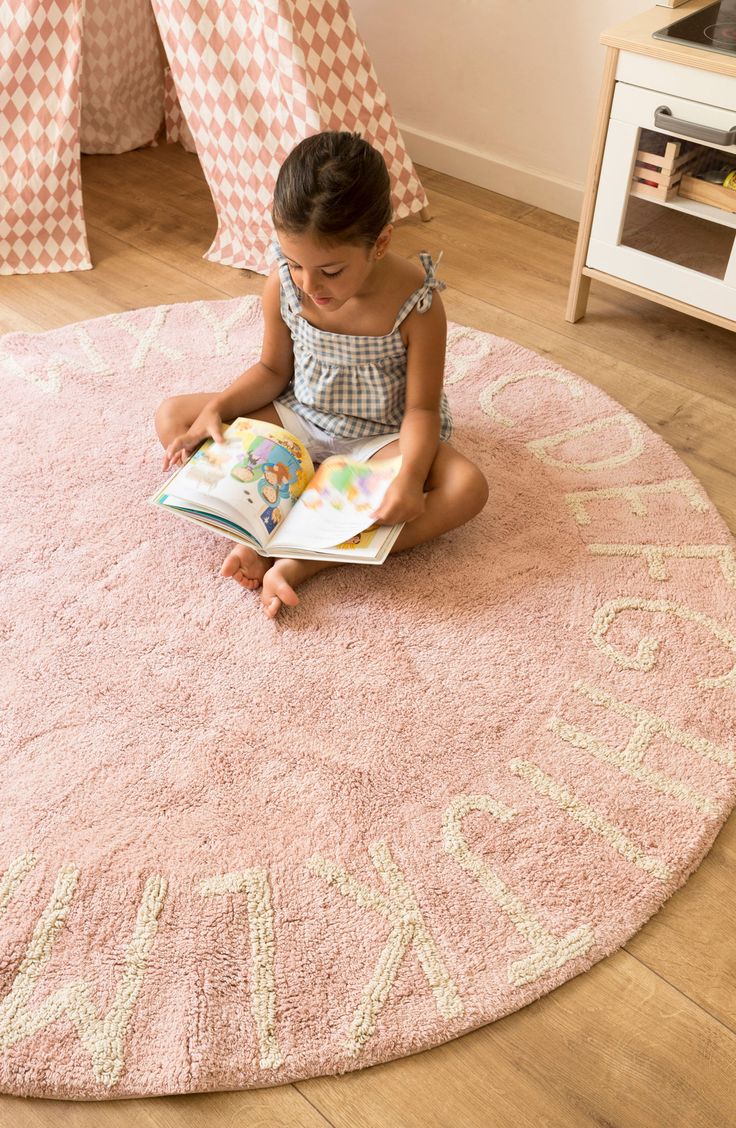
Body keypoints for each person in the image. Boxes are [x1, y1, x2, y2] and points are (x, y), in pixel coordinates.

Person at [155, 131, 488, 618]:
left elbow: (420, 409)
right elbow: (272, 371)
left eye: (331, 271)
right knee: (175, 416)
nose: (310, 286)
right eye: (295, 264)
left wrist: (411, 478)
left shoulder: (417, 303)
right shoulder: (286, 284)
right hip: (301, 420)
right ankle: (263, 531)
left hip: (382, 439)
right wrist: (217, 410)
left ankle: (306, 560)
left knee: (466, 488)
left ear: (381, 243)